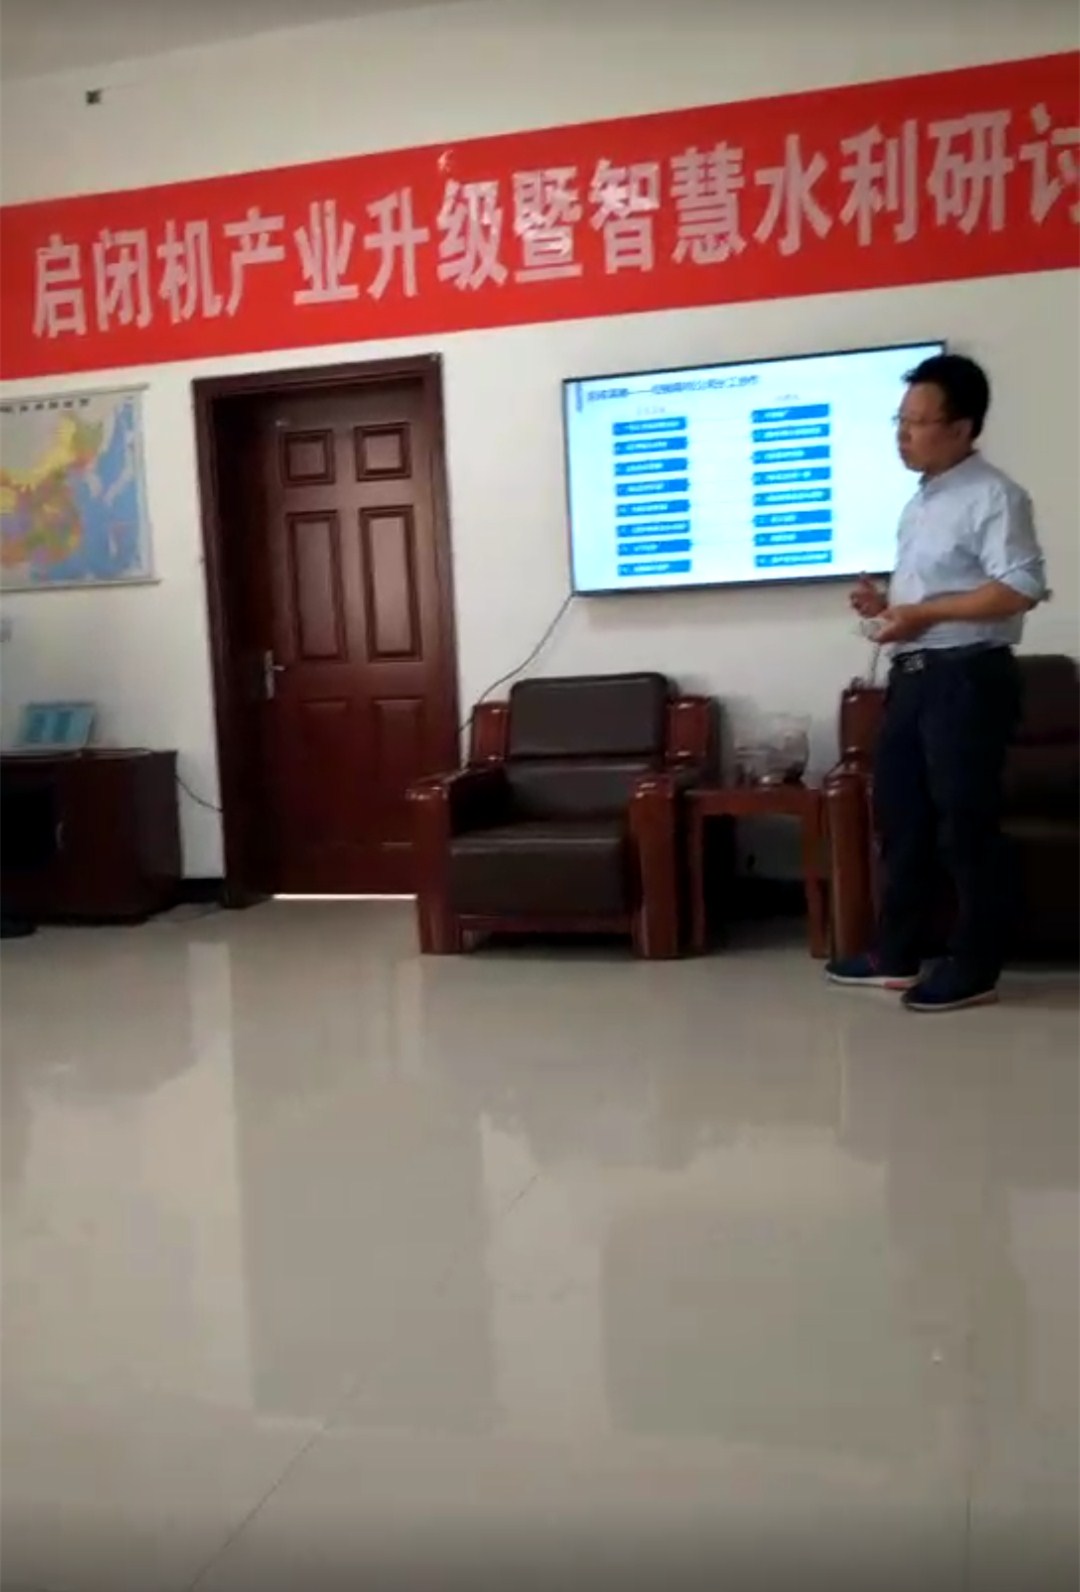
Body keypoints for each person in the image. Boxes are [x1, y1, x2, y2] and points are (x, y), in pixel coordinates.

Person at [826, 352, 1047, 1012]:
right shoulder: (921, 501)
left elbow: (1018, 588)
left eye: (918, 422)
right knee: (904, 820)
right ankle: (896, 954)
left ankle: (974, 967)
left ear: (962, 427)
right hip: (916, 675)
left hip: (967, 678)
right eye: (899, 421)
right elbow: (937, 596)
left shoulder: (995, 496)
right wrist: (889, 607)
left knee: (964, 826)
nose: (903, 435)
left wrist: (922, 614)